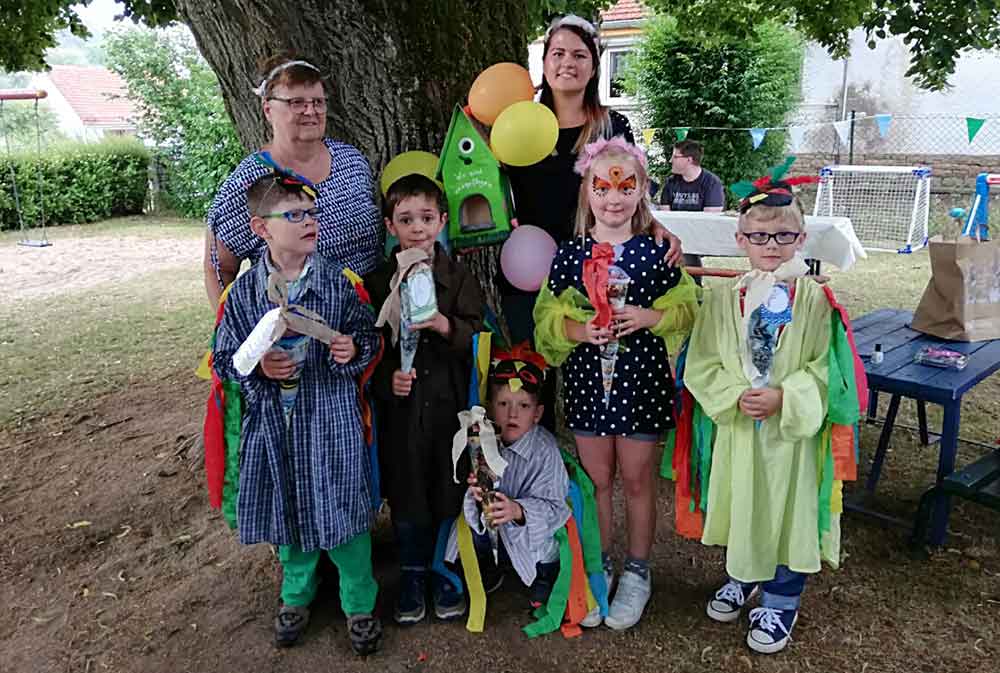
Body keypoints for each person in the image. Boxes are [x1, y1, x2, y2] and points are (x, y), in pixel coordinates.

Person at [211, 171, 382, 654]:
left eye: (311, 213)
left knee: (344, 510)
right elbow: (223, 358)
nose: (309, 222)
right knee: (287, 509)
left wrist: (354, 349)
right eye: (295, 215)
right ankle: (296, 595)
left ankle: (359, 603)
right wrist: (259, 364)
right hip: (272, 426)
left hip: (330, 420)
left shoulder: (337, 283)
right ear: (261, 228)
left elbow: (367, 337)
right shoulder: (243, 296)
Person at [533, 137, 697, 630]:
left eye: (626, 186)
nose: (613, 197)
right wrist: (580, 329)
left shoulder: (658, 254)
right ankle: (600, 564)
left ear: (642, 190)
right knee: (598, 480)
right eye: (602, 187)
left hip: (641, 384)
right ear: (587, 193)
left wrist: (650, 316)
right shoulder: (570, 255)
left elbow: (688, 307)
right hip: (587, 385)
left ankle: (639, 572)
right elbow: (546, 317)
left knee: (637, 479)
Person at [683, 171, 840, 654]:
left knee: (787, 510)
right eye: (758, 236)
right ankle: (745, 573)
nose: (770, 245)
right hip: (741, 427)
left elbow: (826, 370)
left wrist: (786, 396)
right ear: (740, 240)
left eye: (783, 235)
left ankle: (781, 596)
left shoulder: (815, 300)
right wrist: (733, 394)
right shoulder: (723, 298)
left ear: (801, 237)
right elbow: (703, 359)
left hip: (791, 435)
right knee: (744, 501)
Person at [501, 14, 682, 430]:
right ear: (544, 62)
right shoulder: (519, 123)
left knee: (597, 364)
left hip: (594, 265)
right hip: (530, 271)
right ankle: (538, 461)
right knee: (533, 371)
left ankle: (597, 452)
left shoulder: (611, 126)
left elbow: (632, 189)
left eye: (580, 55)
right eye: (558, 53)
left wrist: (654, 224)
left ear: (594, 65)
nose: (568, 62)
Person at [365, 173, 485, 626]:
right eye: (406, 219)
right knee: (407, 490)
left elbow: (475, 330)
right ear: (390, 226)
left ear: (442, 222)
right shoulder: (379, 281)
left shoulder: (456, 277)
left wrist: (443, 326)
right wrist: (386, 380)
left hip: (449, 407)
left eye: (427, 218)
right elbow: (368, 348)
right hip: (402, 412)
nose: (417, 227)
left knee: (447, 486)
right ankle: (411, 572)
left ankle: (442, 568)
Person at [204, 55, 382, 308]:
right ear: (268, 109)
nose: (311, 111)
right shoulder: (249, 182)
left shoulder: (352, 161)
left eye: (318, 102)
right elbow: (218, 267)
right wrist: (235, 327)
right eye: (296, 102)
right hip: (297, 329)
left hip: (368, 320)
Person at [658, 139, 725, 280]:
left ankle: (692, 289)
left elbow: (711, 220)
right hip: (673, 236)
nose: (671, 160)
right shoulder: (671, 183)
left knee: (686, 250)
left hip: (699, 237)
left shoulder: (712, 183)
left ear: (688, 160)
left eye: (675, 157)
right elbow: (665, 216)